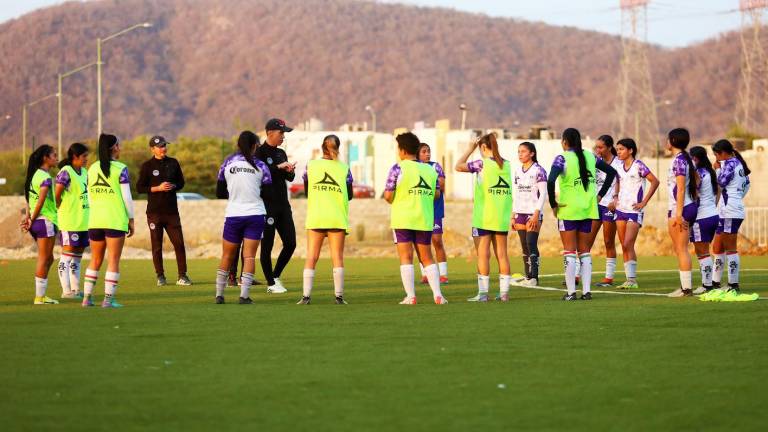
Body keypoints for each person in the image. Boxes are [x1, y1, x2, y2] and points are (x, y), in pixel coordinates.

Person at [547, 128, 617, 301]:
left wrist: (553, 204)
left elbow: (550, 181)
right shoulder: (591, 157)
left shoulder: (562, 158)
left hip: (569, 210)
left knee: (569, 252)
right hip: (588, 209)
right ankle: (586, 292)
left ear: (564, 142)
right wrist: (600, 195)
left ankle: (571, 293)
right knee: (584, 252)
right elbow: (612, 173)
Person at [384, 132, 447, 305]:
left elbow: (388, 196)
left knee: (406, 257)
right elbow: (436, 194)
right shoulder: (429, 169)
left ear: (403, 150)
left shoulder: (397, 168)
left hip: (403, 219)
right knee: (427, 257)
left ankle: (411, 296)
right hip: (424, 219)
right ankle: (438, 295)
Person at [214, 131, 272, 304]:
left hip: (233, 214)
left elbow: (219, 192)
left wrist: (234, 195)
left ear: (238, 145)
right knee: (249, 257)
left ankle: (219, 295)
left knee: (226, 256)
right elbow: (268, 193)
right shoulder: (260, 165)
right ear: (254, 145)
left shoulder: (227, 163)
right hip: (255, 214)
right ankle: (244, 296)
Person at [455, 133, 513, 302]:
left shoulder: (481, 164)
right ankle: (504, 294)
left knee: (483, 255)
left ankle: (483, 294)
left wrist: (469, 149)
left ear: (483, 147)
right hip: (501, 215)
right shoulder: (507, 165)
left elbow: (458, 166)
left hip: (484, 216)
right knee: (502, 254)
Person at [297, 135, 353, 305]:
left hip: (317, 216)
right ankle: (339, 297)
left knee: (311, 256)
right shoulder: (345, 168)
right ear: (338, 147)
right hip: (336, 217)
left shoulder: (311, 165)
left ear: (322, 147)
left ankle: (306, 297)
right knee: (337, 256)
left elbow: (307, 191)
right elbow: (349, 195)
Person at [83, 134, 135, 308]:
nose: (120, 148)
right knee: (113, 260)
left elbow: (89, 196)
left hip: (95, 220)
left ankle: (87, 298)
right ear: (113, 148)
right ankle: (108, 300)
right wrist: (131, 219)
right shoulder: (121, 168)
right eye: (118, 145)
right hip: (114, 219)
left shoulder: (91, 168)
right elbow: (127, 198)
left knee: (94, 260)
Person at [136, 136, 191, 287]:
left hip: (172, 212)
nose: (163, 148)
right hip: (154, 213)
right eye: (160, 146)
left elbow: (181, 182)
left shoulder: (173, 163)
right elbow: (140, 188)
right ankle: (160, 276)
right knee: (157, 245)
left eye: (164, 145)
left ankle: (182, 276)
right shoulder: (147, 166)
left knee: (179, 243)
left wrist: (173, 186)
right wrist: (157, 188)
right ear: (152, 149)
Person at [613, 138, 660, 289]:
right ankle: (629, 279)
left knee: (628, 243)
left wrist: (644, 202)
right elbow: (618, 182)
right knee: (624, 246)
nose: (618, 152)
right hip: (620, 209)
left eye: (621, 149)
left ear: (630, 150)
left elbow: (655, 181)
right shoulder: (619, 166)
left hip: (634, 210)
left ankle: (632, 280)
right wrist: (615, 197)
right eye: (617, 149)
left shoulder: (639, 166)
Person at [257, 118, 296, 294]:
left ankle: (275, 275)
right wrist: (278, 168)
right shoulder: (259, 153)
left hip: (283, 205)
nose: (283, 137)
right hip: (266, 205)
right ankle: (271, 283)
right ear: (270, 132)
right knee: (267, 245)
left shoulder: (281, 153)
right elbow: (260, 175)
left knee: (291, 243)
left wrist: (290, 171)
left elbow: (289, 179)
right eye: (281, 133)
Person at [710, 139, 751, 294]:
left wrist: (718, 169)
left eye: (716, 155)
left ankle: (733, 284)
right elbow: (747, 185)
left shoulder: (730, 163)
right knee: (717, 247)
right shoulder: (738, 164)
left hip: (730, 211)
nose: (716, 158)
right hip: (729, 209)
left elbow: (721, 181)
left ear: (722, 153)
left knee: (730, 249)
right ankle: (715, 283)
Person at [20, 145, 60, 305]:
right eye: (54, 155)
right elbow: (41, 201)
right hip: (45, 221)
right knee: (44, 259)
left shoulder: (35, 175)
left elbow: (31, 200)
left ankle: (42, 294)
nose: (56, 157)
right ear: (45, 158)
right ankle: (39, 297)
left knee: (49, 258)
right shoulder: (43, 177)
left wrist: (29, 218)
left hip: (39, 221)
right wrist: (30, 220)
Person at [665, 128, 699, 298]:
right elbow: (696, 181)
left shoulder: (679, 160)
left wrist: (678, 213)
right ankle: (684, 286)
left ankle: (686, 289)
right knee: (681, 248)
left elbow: (679, 188)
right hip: (689, 205)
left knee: (681, 248)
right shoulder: (688, 159)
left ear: (672, 140)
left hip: (681, 207)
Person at [54, 142, 90, 299]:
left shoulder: (84, 172)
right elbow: (57, 195)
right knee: (67, 256)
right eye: (84, 156)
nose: (86, 159)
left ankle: (76, 289)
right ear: (75, 157)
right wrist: (62, 209)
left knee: (77, 256)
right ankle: (66, 291)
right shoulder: (66, 171)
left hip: (84, 221)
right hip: (69, 222)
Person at [511, 141, 547, 287]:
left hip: (533, 213)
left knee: (531, 243)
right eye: (519, 151)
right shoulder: (517, 171)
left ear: (532, 153)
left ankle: (534, 277)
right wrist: (513, 215)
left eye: (523, 151)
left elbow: (543, 193)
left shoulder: (539, 170)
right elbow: (516, 193)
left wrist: (536, 213)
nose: (520, 154)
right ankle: (527, 276)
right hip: (520, 212)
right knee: (524, 245)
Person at [592, 135, 623, 287]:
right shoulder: (594, 162)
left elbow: (622, 182)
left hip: (609, 205)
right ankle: (577, 275)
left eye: (600, 147)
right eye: (596, 147)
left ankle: (608, 278)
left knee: (608, 241)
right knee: (586, 240)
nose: (597, 150)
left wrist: (616, 199)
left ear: (609, 148)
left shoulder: (618, 163)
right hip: (595, 204)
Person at [688, 146, 720, 295]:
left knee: (702, 252)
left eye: (691, 158)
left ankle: (706, 285)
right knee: (705, 251)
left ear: (696, 158)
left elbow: (693, 191)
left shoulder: (699, 173)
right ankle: (711, 282)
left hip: (701, 217)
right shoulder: (710, 172)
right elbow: (718, 191)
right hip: (713, 214)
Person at [417, 143, 449, 284]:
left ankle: (443, 274)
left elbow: (441, 185)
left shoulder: (435, 166)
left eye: (429, 151)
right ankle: (425, 274)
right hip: (419, 210)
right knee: (421, 243)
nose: (427, 154)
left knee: (437, 241)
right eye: (424, 152)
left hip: (435, 209)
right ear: (417, 154)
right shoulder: (414, 168)